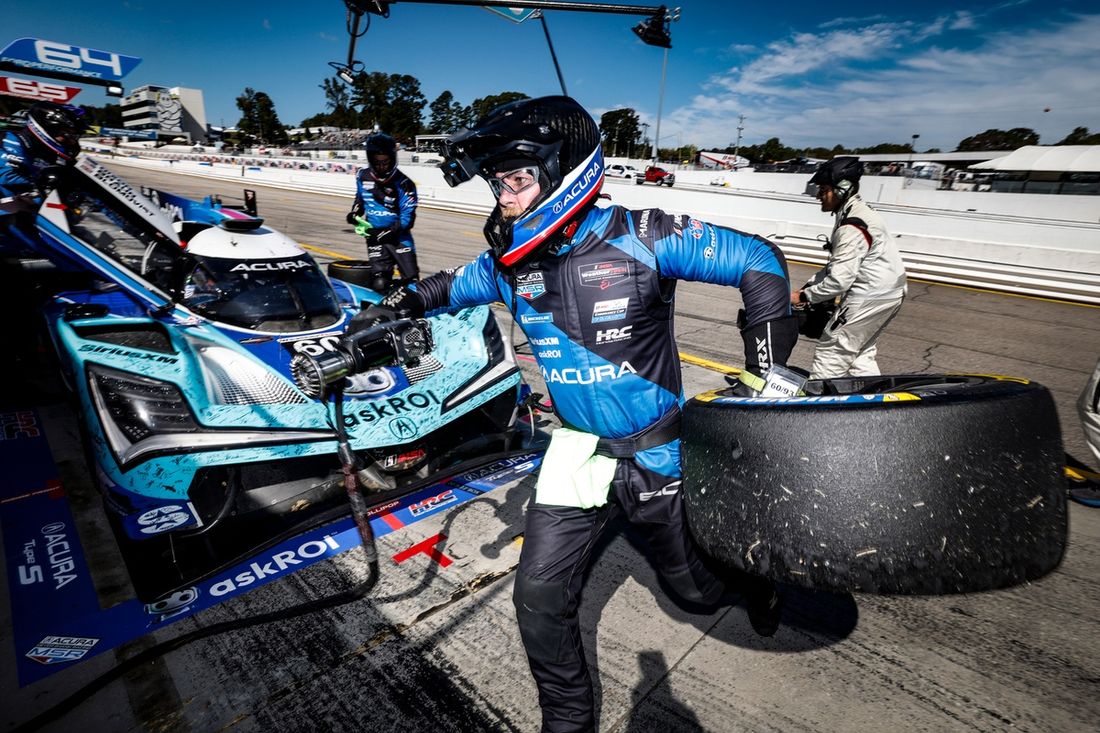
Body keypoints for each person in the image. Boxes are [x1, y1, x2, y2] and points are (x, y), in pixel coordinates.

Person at [353, 96, 799, 732]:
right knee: (537, 598)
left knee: (695, 592)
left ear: (565, 171)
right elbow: (445, 288)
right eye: (496, 183)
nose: (503, 197)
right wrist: (387, 308)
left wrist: (767, 373)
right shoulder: (509, 263)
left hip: (658, 451)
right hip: (578, 454)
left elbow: (759, 259)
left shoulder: (643, 235)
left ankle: (755, 583)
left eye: (515, 179)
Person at [791, 156, 907, 378]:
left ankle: (816, 407)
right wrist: (808, 286)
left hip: (870, 296)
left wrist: (804, 297)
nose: (818, 195)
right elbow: (836, 268)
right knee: (859, 354)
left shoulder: (851, 227)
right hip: (890, 293)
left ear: (842, 189)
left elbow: (839, 281)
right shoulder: (857, 213)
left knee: (832, 349)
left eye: (823, 190)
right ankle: (875, 404)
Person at [344, 132, 419, 292]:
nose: (382, 166)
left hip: (399, 237)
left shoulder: (404, 184)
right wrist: (355, 213)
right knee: (380, 284)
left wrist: (391, 232)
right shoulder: (362, 176)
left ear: (393, 158)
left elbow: (409, 217)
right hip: (374, 236)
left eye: (386, 162)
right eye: (377, 162)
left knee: (411, 283)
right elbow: (360, 199)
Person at [0, 102, 85, 217]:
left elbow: (82, 181)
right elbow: (8, 176)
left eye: (74, 136)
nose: (72, 141)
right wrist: (43, 186)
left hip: (28, 214)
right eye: (68, 135)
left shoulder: (54, 154)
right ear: (49, 128)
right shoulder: (12, 140)